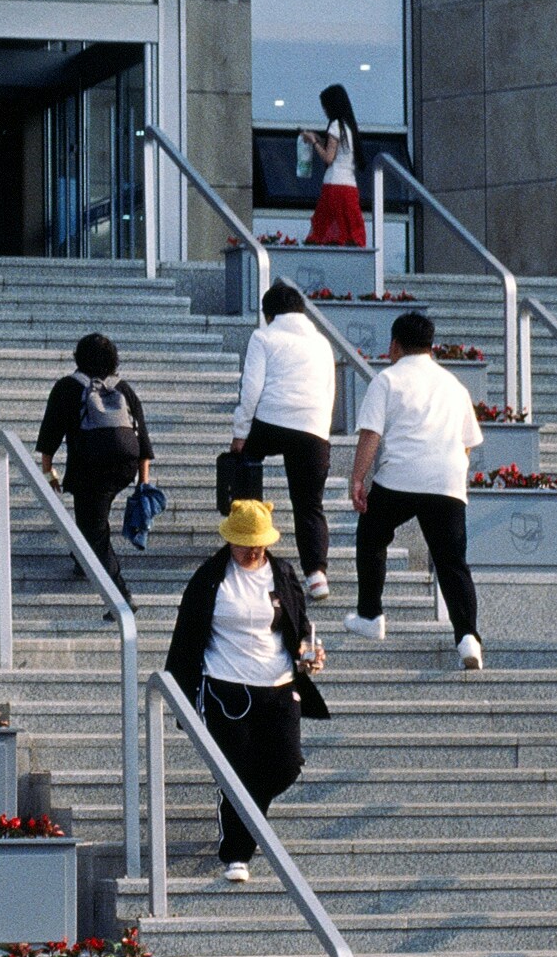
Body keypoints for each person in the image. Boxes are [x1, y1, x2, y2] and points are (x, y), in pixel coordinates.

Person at [164, 501, 328, 885]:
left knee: (285, 766)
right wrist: (180, 696)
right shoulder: (209, 578)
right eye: (245, 545)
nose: (253, 551)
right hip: (225, 686)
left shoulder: (283, 573)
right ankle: (236, 853)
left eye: (259, 544)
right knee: (234, 769)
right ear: (230, 540)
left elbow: (300, 626)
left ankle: (244, 818)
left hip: (279, 684)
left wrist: (309, 652)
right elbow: (187, 637)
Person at [347, 309, 488, 672]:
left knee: (372, 535)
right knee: (452, 561)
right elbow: (469, 442)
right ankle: (468, 637)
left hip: (399, 477)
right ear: (432, 346)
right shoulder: (454, 386)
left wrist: (357, 479)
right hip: (446, 479)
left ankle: (371, 615)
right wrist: (451, 475)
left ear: (395, 345)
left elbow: (370, 435)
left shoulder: (387, 380)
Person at [229, 281, 340, 599]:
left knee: (244, 466)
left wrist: (240, 434)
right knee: (309, 505)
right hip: (313, 428)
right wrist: (322, 434)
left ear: (268, 313)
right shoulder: (322, 343)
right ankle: (317, 575)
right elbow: (329, 391)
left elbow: (251, 389)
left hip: (271, 421)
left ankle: (245, 539)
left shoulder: (264, 336)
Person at [36, 333, 152, 597]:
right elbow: (143, 440)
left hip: (90, 466)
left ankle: (120, 596)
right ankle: (82, 558)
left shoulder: (68, 386)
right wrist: (143, 483)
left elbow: (49, 437)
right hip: (125, 465)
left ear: (78, 357)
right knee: (92, 514)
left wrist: (49, 473)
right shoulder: (123, 389)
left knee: (95, 527)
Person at [299, 83, 367, 248]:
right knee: (350, 232)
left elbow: (329, 158)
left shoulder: (336, 125)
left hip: (333, 185)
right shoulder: (349, 127)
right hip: (350, 187)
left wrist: (314, 141)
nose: (324, 111)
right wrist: (321, 140)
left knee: (322, 230)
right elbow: (340, 152)